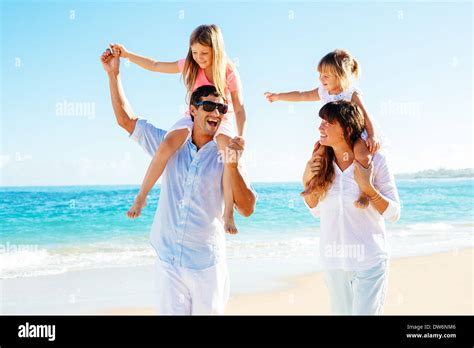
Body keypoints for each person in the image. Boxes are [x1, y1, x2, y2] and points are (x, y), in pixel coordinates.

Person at [100, 47, 256, 315]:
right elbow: (126, 120)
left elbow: (247, 207)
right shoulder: (170, 144)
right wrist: (114, 76)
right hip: (168, 262)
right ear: (192, 110)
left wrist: (233, 165)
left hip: (207, 266)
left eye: (221, 108)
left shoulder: (226, 151)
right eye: (209, 106)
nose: (216, 113)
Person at [110, 24, 247, 235]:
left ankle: (228, 212)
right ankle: (141, 196)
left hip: (222, 118)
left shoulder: (228, 71)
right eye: (194, 52)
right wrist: (127, 55)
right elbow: (155, 65)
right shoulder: (191, 66)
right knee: (167, 144)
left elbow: (238, 107)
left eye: (204, 53)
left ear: (216, 50)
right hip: (193, 116)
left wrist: (241, 135)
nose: (199, 57)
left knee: (227, 157)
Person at [302, 100, 400, 315]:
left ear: (347, 129)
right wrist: (307, 178)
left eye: (328, 122)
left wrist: (369, 188)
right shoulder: (321, 162)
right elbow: (315, 209)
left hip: (369, 262)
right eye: (321, 122)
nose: (320, 127)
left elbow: (394, 213)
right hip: (334, 263)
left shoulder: (376, 161)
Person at [265, 49, 380, 208]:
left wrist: (372, 135)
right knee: (319, 155)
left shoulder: (351, 93)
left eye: (326, 75)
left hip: (355, 134)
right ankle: (313, 187)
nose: (321, 78)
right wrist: (278, 96)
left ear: (340, 75)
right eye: (320, 74)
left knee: (362, 155)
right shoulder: (323, 91)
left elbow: (366, 115)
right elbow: (302, 95)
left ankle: (364, 193)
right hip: (333, 135)